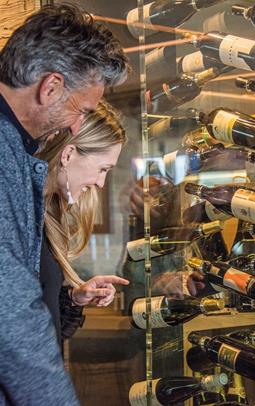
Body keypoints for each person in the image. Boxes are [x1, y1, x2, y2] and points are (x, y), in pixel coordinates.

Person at [0, 4, 128, 405]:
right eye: (82, 110)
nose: (76, 126)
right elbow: (11, 310)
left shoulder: (17, 152)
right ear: (51, 86)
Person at [36, 101, 129, 345]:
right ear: (67, 155)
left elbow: (47, 330)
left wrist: (74, 298)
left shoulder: (42, 218)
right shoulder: (19, 215)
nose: (101, 183)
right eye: (102, 169)